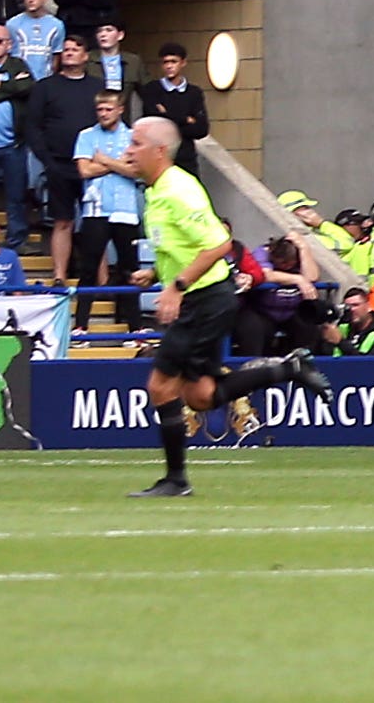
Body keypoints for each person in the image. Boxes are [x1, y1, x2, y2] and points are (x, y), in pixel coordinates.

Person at [122, 115, 240, 500]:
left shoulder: (178, 190)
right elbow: (183, 244)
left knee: (160, 385)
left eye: (136, 143)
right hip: (200, 298)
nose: (128, 150)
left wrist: (176, 285)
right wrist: (155, 271)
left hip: (204, 299)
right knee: (201, 394)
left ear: (159, 151)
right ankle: (286, 368)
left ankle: (176, 480)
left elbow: (220, 243)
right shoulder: (156, 190)